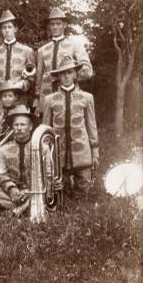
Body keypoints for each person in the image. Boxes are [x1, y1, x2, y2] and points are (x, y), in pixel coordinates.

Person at [43, 55, 99, 194]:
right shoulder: (50, 100)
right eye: (63, 73)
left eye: (69, 72)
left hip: (82, 152)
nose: (66, 76)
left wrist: (95, 152)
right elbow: (46, 129)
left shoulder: (87, 98)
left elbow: (91, 126)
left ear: (75, 75)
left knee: (85, 191)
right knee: (61, 192)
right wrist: (46, 152)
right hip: (59, 154)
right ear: (59, 77)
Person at [35, 7, 93, 116]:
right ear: (49, 26)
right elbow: (38, 79)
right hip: (46, 98)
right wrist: (37, 100)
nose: (55, 27)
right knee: (47, 129)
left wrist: (67, 76)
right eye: (52, 24)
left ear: (64, 25)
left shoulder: (75, 46)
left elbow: (87, 71)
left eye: (58, 23)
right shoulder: (42, 50)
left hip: (69, 95)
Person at [0, 105, 46, 216]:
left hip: (34, 191)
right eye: (16, 124)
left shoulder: (42, 148)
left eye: (23, 124)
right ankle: (26, 207)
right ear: (12, 127)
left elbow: (48, 174)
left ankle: (17, 209)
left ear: (30, 127)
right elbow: (1, 174)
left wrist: (29, 191)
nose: (19, 128)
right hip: (12, 193)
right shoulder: (4, 149)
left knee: (46, 190)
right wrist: (12, 189)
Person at [0, 10, 35, 104]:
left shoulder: (27, 51)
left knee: (19, 119)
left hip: (19, 97)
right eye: (4, 27)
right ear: (1, 30)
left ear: (15, 29)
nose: (7, 30)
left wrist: (22, 84)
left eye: (9, 27)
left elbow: (32, 77)